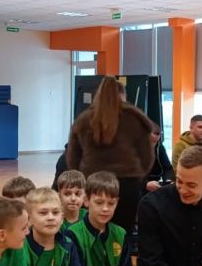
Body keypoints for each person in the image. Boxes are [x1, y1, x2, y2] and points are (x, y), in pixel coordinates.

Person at [65, 77, 154, 234]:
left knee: (92, 230)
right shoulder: (135, 118)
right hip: (127, 185)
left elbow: (72, 156)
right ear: (123, 95)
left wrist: (83, 177)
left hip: (93, 182)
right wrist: (138, 177)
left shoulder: (83, 120)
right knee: (123, 233)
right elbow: (147, 157)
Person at [143, 123, 173, 193]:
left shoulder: (159, 147)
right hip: (138, 188)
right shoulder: (133, 150)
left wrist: (168, 180)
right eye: (151, 142)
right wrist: (144, 185)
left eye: (155, 142)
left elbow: (167, 168)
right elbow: (127, 178)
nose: (153, 145)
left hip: (155, 184)